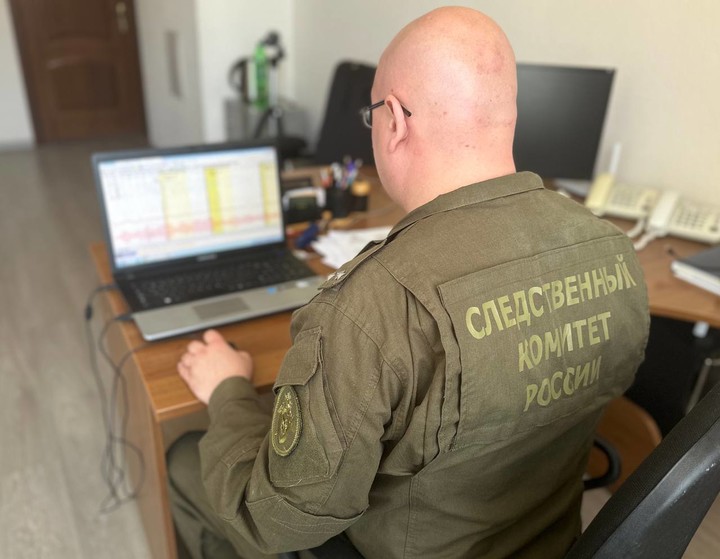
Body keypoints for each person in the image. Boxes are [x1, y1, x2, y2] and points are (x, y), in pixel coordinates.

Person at [168, 6, 650, 559]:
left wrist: (227, 391)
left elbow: (274, 523)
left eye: (373, 116)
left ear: (394, 120)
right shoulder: (612, 249)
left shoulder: (369, 307)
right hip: (551, 541)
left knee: (183, 459)